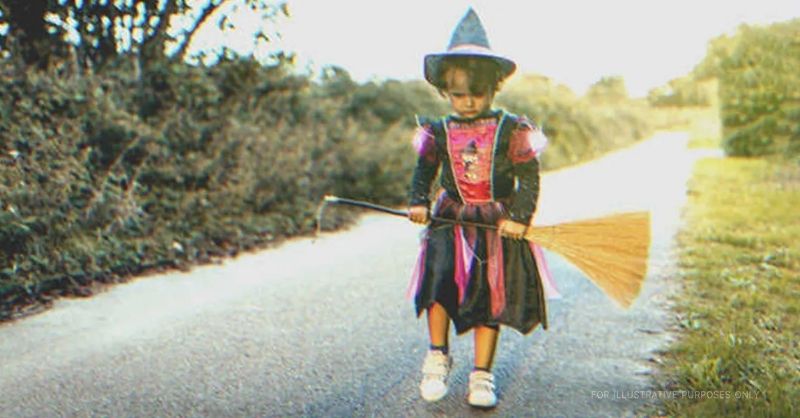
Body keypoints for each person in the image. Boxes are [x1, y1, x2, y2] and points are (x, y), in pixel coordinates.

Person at [406, 8, 550, 409]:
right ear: (445, 92)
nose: (468, 101)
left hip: (494, 223)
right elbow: (424, 171)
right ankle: (437, 355)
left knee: (489, 295)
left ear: (494, 88)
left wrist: (520, 218)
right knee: (438, 284)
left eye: (478, 93)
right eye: (458, 94)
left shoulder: (511, 130)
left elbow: (529, 178)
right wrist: (418, 202)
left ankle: (482, 374)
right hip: (448, 220)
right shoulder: (438, 131)